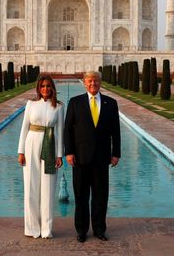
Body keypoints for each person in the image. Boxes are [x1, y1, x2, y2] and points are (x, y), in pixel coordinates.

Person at [64, 71, 121, 243]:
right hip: (80, 158)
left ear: (100, 83)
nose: (92, 84)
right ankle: (81, 230)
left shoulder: (110, 103)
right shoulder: (75, 102)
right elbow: (68, 130)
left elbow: (116, 131)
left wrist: (116, 153)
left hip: (102, 158)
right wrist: (69, 152)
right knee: (81, 196)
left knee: (100, 196)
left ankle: (99, 229)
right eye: (89, 81)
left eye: (95, 81)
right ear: (84, 83)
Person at [17, 75, 64, 238]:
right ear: (38, 88)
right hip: (32, 144)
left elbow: (60, 131)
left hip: (50, 145)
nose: (45, 89)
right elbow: (24, 128)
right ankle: (32, 228)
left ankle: (46, 229)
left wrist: (60, 155)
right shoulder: (31, 104)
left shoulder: (58, 106)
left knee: (48, 188)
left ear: (53, 88)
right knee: (31, 187)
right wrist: (20, 151)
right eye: (43, 86)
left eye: (48, 86)